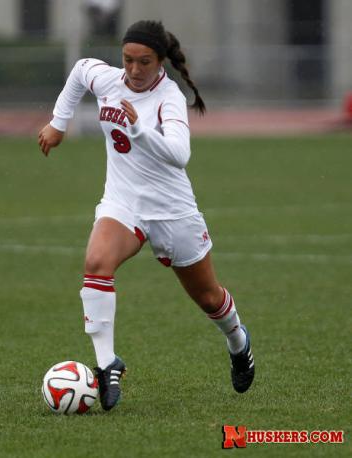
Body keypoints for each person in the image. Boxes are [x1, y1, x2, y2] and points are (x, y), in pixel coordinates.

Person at [38, 20, 255, 411]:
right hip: (123, 202)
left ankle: (238, 341)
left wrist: (139, 129)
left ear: (160, 63)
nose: (134, 70)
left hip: (172, 211)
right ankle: (107, 364)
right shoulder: (108, 79)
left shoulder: (168, 97)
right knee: (96, 262)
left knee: (208, 298)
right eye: (128, 60)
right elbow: (79, 71)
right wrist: (59, 122)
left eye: (145, 62)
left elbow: (179, 154)